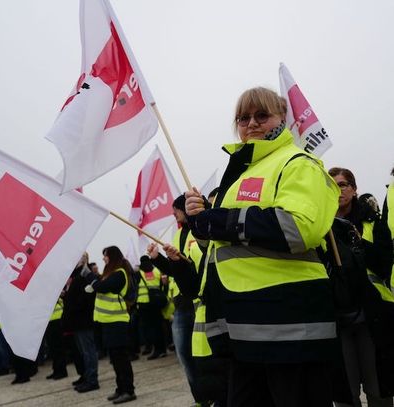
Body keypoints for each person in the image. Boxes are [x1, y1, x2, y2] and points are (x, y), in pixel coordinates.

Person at [185, 87, 339, 407]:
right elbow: (233, 248)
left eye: (261, 115)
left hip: (290, 329)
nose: (251, 123)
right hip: (245, 329)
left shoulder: (298, 163)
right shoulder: (242, 173)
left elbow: (299, 229)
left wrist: (222, 221)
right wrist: (203, 224)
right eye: (242, 118)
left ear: (283, 118)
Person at [327, 167, 394, 407]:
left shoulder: (372, 223)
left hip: (372, 317)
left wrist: (359, 243)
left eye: (343, 184)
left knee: (379, 389)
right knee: (346, 393)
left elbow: (385, 265)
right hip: (338, 320)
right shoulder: (320, 226)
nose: (338, 190)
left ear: (354, 190)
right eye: (332, 185)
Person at [149, 195, 203, 404]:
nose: (173, 214)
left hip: (199, 303)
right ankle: (200, 398)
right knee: (184, 355)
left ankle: (214, 396)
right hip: (181, 306)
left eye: (175, 210)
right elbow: (175, 271)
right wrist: (157, 259)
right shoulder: (178, 234)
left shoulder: (202, 228)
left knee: (205, 357)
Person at [81, 246, 136, 404]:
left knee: (121, 359)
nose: (104, 258)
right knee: (115, 359)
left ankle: (129, 390)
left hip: (117, 322)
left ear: (112, 256)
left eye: (105, 255)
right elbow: (99, 284)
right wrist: (93, 280)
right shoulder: (111, 273)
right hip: (109, 322)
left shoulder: (120, 273)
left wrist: (88, 274)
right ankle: (121, 389)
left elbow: (101, 286)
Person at [62, 253, 99, 392]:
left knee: (89, 351)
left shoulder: (85, 275)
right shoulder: (76, 275)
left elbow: (86, 299)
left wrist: (72, 305)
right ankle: (85, 376)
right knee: (83, 352)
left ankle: (92, 380)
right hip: (76, 321)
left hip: (83, 320)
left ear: (83, 260)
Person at [136, 255, 167, 360]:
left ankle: (156, 349)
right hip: (156, 302)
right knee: (158, 326)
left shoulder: (139, 273)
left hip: (144, 304)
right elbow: (163, 284)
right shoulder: (157, 270)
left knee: (149, 328)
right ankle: (162, 349)